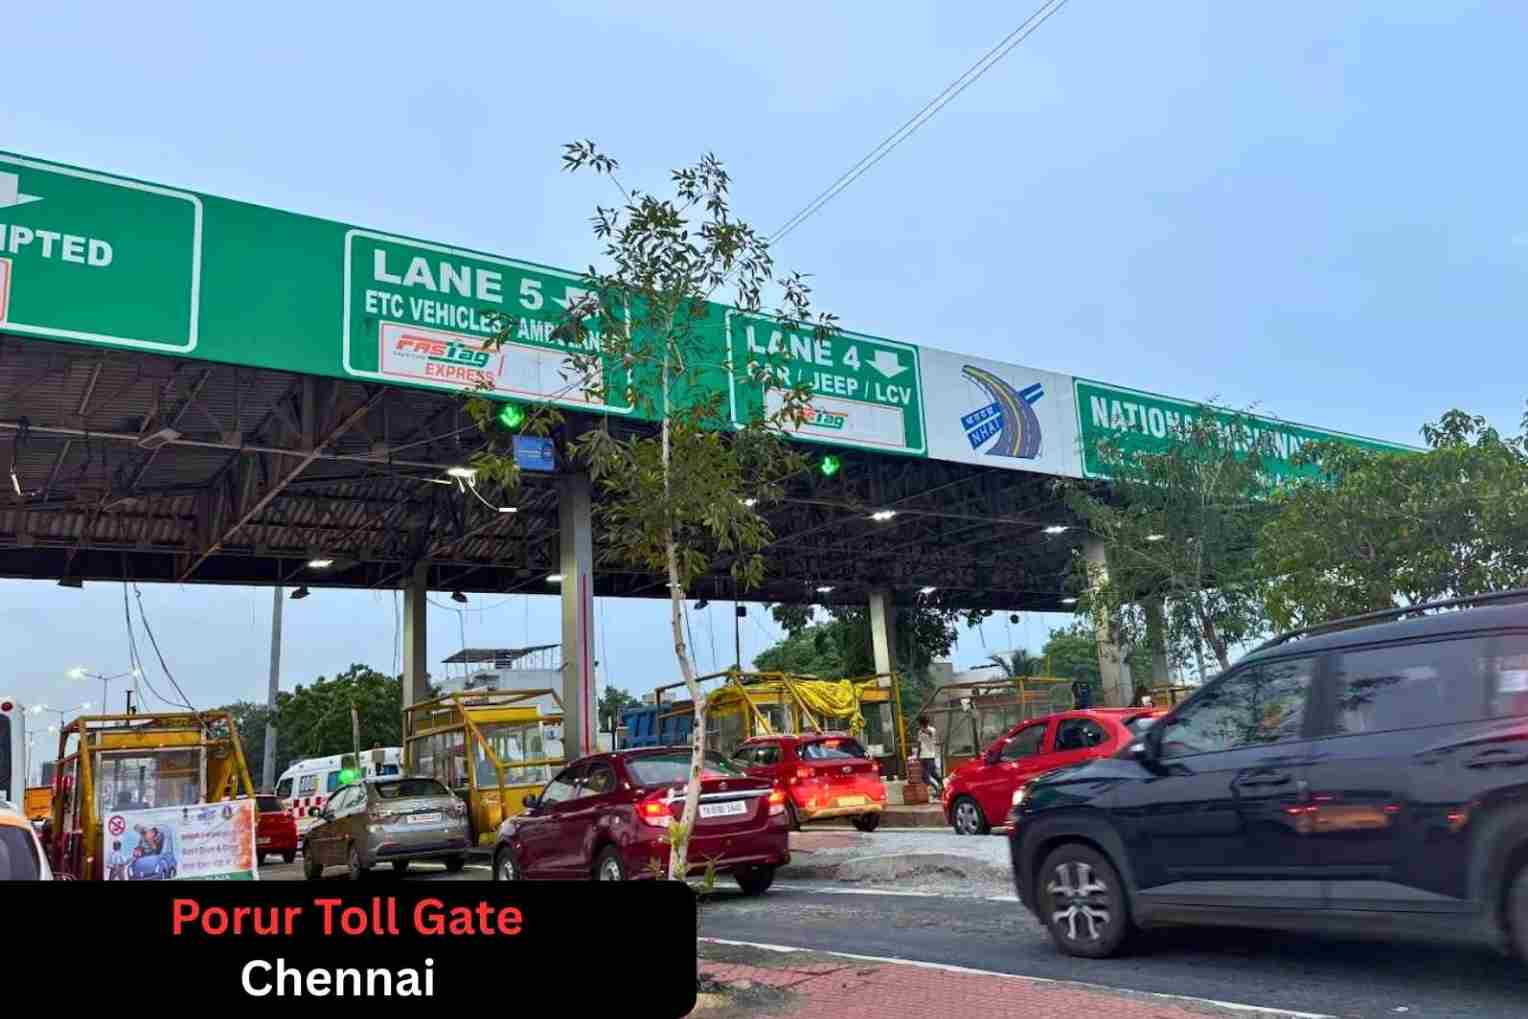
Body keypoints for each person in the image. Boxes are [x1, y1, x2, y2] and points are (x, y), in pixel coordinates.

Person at [916, 716, 942, 794]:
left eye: (920, 723)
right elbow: (919, 743)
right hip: (922, 756)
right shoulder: (919, 732)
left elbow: (930, 734)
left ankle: (938, 788)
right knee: (931, 774)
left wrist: (923, 730)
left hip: (930, 755)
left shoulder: (932, 729)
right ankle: (941, 786)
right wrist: (918, 754)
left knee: (926, 775)